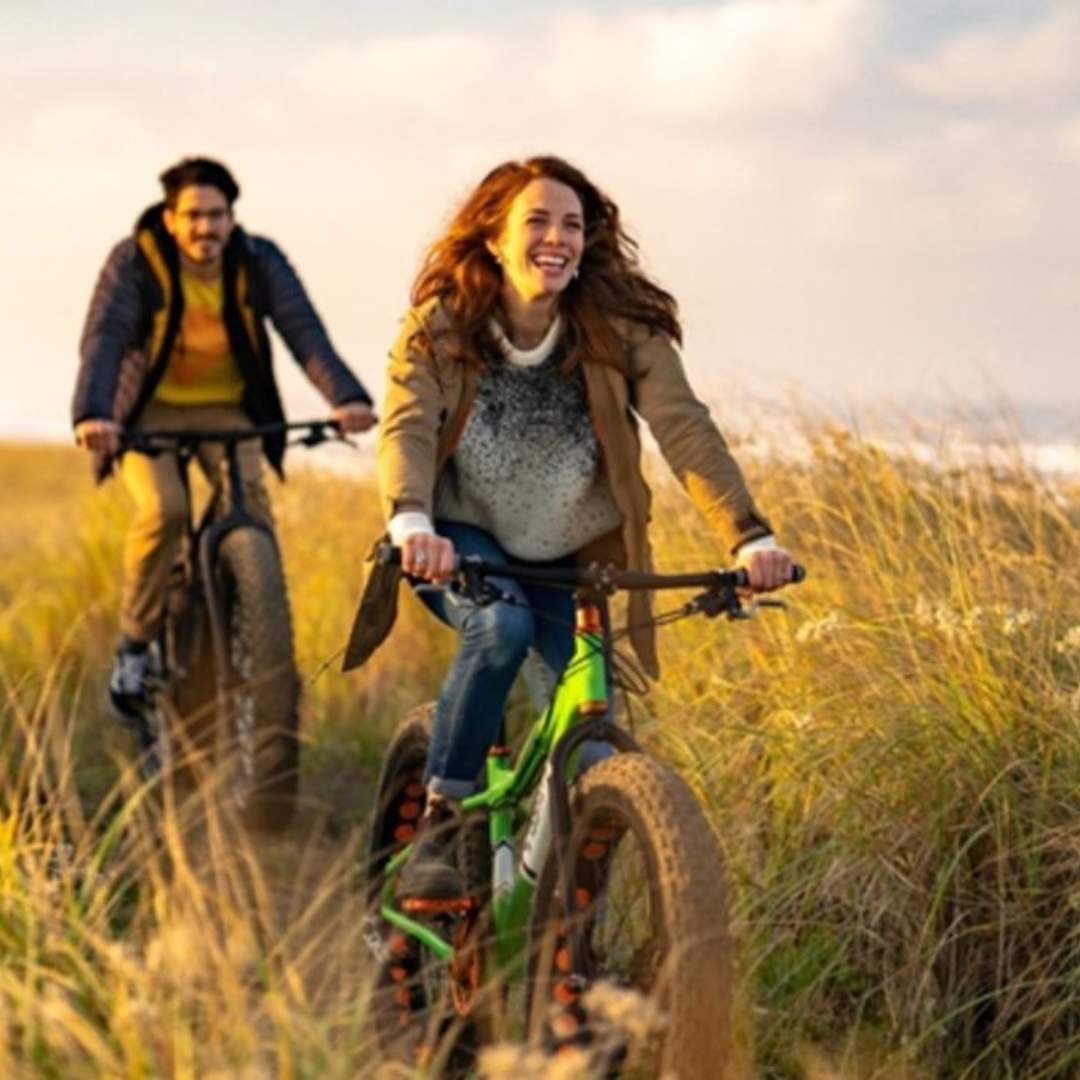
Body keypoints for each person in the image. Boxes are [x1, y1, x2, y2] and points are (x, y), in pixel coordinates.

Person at [346, 155, 795, 900]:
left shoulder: (621, 332)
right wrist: (412, 521)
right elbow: (407, 426)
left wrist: (748, 536)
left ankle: (564, 938)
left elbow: (685, 430)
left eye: (573, 225)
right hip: (462, 547)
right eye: (537, 221)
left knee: (590, 754)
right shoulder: (442, 324)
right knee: (500, 630)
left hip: (568, 556)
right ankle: (442, 820)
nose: (557, 238)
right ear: (494, 237)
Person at [72, 156, 376, 720]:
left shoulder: (258, 260)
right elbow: (106, 334)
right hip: (147, 415)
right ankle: (135, 650)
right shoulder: (136, 261)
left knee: (251, 508)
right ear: (169, 218)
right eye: (192, 216)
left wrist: (346, 397)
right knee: (164, 510)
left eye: (216, 216)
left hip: (230, 410)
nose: (205, 229)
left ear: (233, 218)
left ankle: (255, 630)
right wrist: (94, 412)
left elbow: (302, 330)